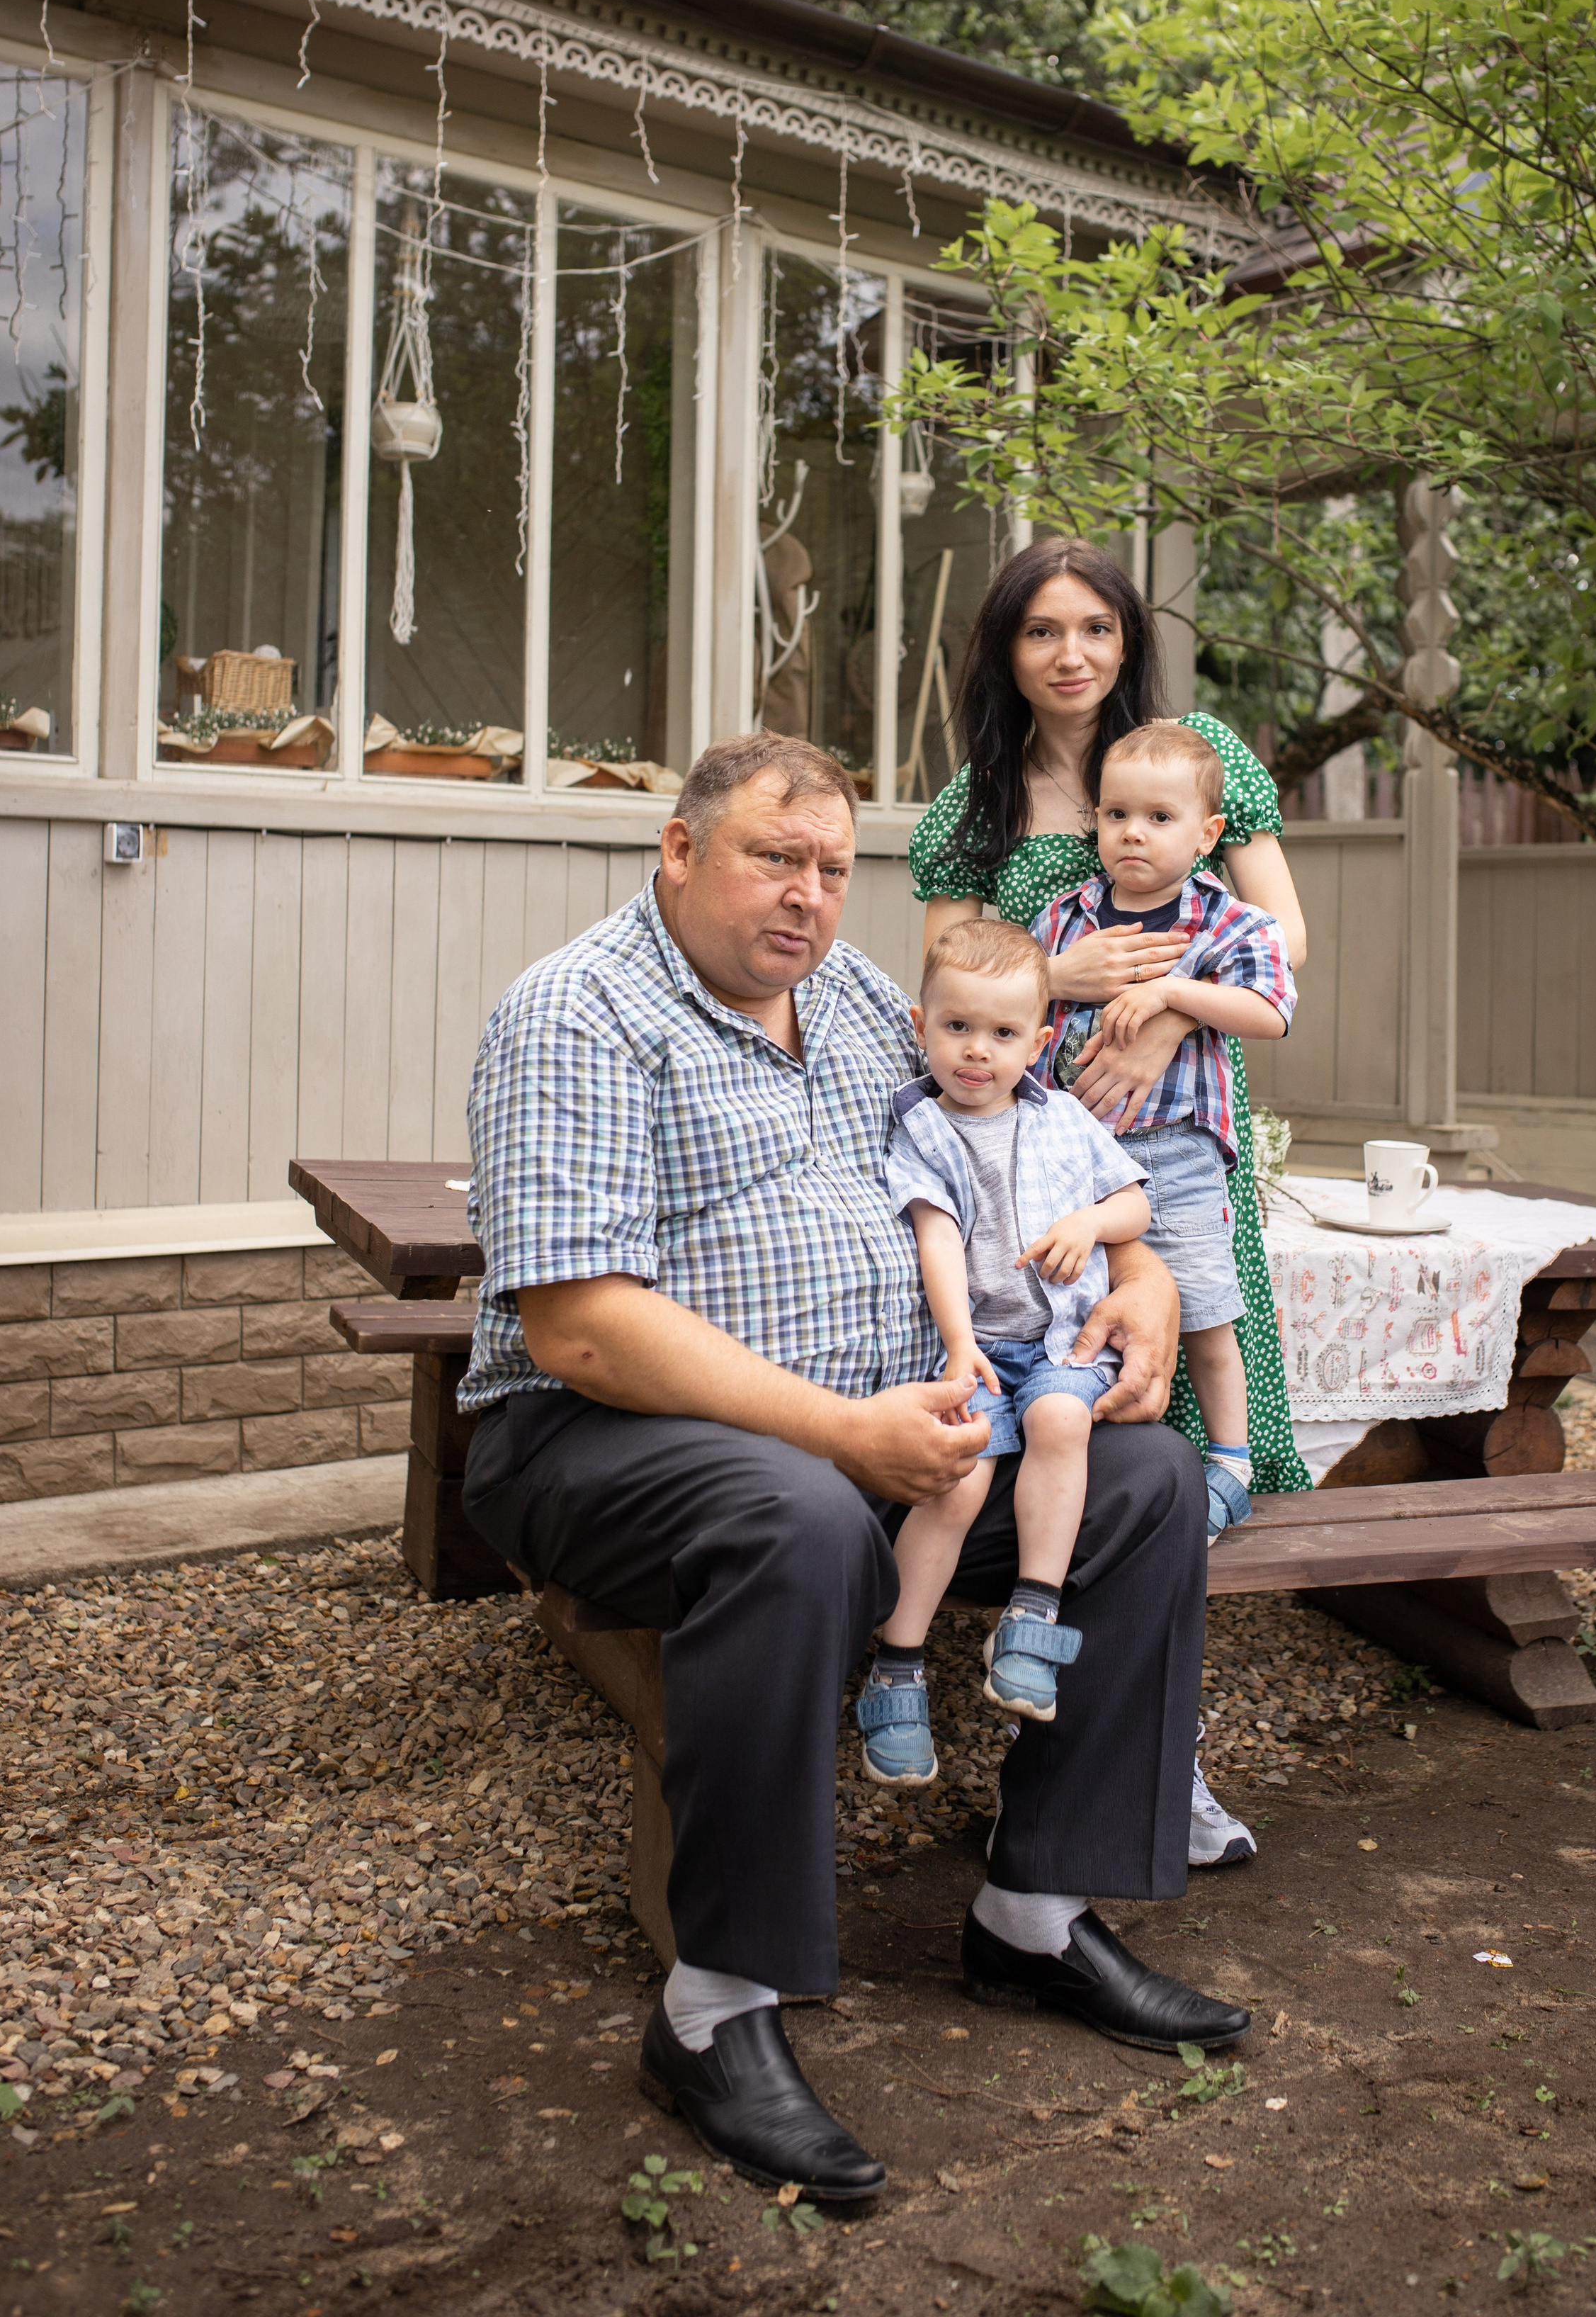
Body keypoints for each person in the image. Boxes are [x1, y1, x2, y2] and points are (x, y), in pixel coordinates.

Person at [459, 731, 1250, 2206]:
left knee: (1140, 1485)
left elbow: (1039, 1138)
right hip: (596, 1441)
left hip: (881, 1423)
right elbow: (576, 1330)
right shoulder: (576, 1012)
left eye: (831, 868)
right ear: (678, 852)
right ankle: (715, 2007)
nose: (808, 896)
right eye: (774, 857)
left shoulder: (863, 1003)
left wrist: (1138, 1281)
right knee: (800, 1516)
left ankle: (1030, 1909)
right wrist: (839, 1433)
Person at [908, 536, 1313, 1869]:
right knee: (1060, 1439)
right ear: (1005, 650)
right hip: (1037, 1184)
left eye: (1095, 628)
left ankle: (1153, 1768)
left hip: (1178, 1156)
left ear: (1129, 638)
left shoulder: (1198, 757)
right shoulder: (976, 802)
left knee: (1176, 1452)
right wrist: (1071, 987)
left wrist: (1162, 1010)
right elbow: (962, 982)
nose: (1070, 654)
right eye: (1039, 631)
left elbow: (1284, 944)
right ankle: (1042, 1729)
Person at [855, 918, 1151, 1786]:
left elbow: (1134, 1205)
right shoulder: (921, 1128)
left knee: (1062, 1419)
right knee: (961, 1472)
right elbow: (936, 1239)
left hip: (1059, 1335)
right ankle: (896, 1664)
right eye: (956, 1028)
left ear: (1041, 1040)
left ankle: (1032, 1615)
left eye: (1003, 1033)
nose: (976, 1052)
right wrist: (956, 1347)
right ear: (920, 1025)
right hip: (976, 1344)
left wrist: (1090, 1221)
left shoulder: (1062, 1118)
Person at [1034, 724, 1296, 1541]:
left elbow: (1271, 1011)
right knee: (1080, 1308)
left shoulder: (1225, 923)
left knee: (1206, 1311)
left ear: (1206, 833)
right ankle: (1088, 1463)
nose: (1133, 834)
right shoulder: (1065, 919)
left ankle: (1229, 1462)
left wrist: (1179, 996)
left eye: (1157, 817)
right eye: (1116, 815)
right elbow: (1018, 1005)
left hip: (1174, 1154)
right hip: (1073, 1159)